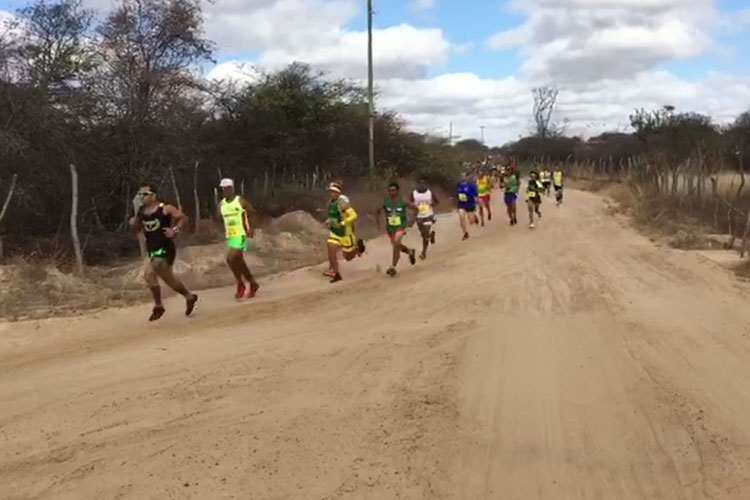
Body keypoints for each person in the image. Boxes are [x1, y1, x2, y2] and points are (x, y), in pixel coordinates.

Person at [129, 183, 198, 321]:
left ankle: (158, 306)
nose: (142, 197)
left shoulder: (165, 208)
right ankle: (189, 296)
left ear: (154, 195)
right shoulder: (141, 211)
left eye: (145, 194)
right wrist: (133, 222)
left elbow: (183, 218)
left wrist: (175, 230)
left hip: (165, 248)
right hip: (152, 249)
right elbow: (137, 227)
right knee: (168, 280)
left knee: (150, 273)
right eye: (140, 195)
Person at [218, 178, 260, 299]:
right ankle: (252, 283)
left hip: (241, 234)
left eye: (227, 188)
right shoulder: (221, 205)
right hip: (230, 235)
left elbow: (252, 212)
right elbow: (221, 218)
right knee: (238, 261)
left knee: (230, 258)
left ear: (232, 188)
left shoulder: (240, 201)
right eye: (223, 189)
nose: (225, 191)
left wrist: (251, 228)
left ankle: (240, 283)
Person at [326, 182, 365, 283]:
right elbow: (332, 216)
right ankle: (336, 273)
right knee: (331, 252)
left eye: (333, 192)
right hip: (334, 233)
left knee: (348, 257)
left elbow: (354, 215)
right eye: (330, 192)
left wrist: (344, 222)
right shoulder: (330, 203)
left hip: (346, 234)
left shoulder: (343, 203)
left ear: (338, 193)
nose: (331, 194)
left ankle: (358, 249)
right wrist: (329, 221)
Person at [377, 182, 417, 277]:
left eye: (394, 190)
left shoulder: (402, 200)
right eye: (390, 190)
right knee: (396, 245)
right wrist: (378, 222)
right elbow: (377, 210)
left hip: (400, 226)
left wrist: (412, 220)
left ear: (397, 191)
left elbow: (415, 208)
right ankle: (409, 251)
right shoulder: (385, 201)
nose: (392, 192)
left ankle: (393, 267)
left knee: (396, 243)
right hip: (390, 227)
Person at [410, 177, 439, 260]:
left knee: (425, 232)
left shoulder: (430, 192)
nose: (422, 186)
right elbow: (410, 202)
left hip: (428, 215)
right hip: (419, 216)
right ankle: (430, 236)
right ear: (418, 185)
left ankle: (423, 252)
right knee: (423, 234)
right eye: (420, 184)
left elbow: (436, 201)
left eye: (424, 184)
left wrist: (431, 204)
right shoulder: (414, 193)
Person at [456, 172, 478, 240]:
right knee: (461, 217)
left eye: (464, 176)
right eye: (461, 176)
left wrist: (476, 200)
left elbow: (475, 195)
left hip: (470, 204)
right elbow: (457, 194)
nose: (462, 178)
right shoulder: (458, 185)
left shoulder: (471, 185)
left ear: (466, 177)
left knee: (471, 221)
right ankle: (465, 233)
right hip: (461, 204)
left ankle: (474, 217)